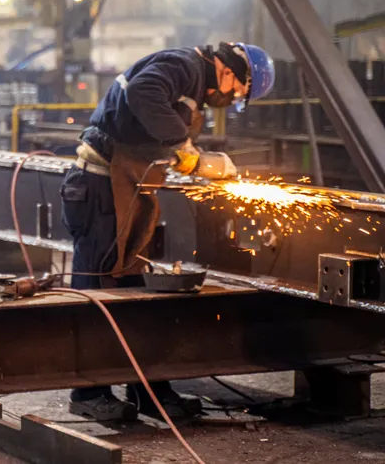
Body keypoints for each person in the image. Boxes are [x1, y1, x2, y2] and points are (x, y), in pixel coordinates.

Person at [61, 42, 275, 421]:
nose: (230, 99)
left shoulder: (191, 85)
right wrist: (183, 147)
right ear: (229, 72)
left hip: (129, 190)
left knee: (135, 296)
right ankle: (88, 392)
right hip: (98, 189)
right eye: (236, 92)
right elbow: (144, 93)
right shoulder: (183, 66)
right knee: (96, 291)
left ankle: (148, 390)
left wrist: (185, 153)